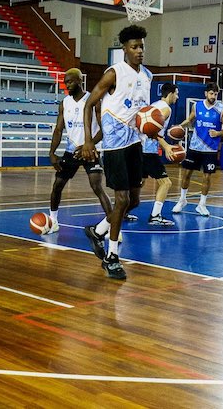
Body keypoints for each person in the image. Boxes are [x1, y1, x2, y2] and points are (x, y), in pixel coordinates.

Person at [81, 25, 152, 280]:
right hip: (114, 145)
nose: (140, 51)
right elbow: (89, 103)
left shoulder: (147, 76)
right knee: (121, 200)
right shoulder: (114, 73)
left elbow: (144, 114)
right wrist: (89, 141)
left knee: (134, 201)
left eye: (142, 46)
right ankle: (112, 257)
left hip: (135, 143)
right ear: (124, 49)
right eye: (134, 47)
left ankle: (98, 230)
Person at [48, 68, 112, 232]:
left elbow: (104, 129)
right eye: (65, 82)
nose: (67, 85)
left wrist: (88, 144)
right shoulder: (64, 103)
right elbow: (58, 130)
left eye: (70, 81)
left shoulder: (93, 100)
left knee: (96, 187)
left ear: (79, 81)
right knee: (58, 185)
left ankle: (113, 229)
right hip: (72, 151)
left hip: (91, 151)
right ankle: (53, 221)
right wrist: (52, 152)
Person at [172, 82, 223, 217]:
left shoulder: (222, 109)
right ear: (206, 93)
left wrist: (218, 133)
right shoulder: (197, 106)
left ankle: (202, 204)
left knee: (207, 177)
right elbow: (190, 120)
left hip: (210, 148)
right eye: (211, 94)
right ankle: (182, 200)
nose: (213, 96)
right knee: (186, 174)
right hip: (195, 146)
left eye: (216, 94)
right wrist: (178, 127)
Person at [138, 83, 180, 226]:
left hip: (140, 147)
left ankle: (124, 211)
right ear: (170, 94)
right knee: (166, 183)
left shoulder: (155, 104)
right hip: (148, 150)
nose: (177, 97)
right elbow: (152, 130)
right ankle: (155, 215)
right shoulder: (166, 109)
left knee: (139, 182)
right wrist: (167, 146)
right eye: (177, 94)